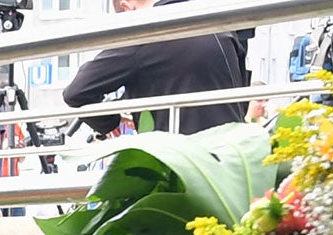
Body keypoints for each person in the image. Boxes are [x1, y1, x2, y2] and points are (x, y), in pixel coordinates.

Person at [62, 0, 250, 137]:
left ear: (127, 6)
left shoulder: (144, 36)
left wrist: (110, 122)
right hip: (234, 153)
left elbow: (76, 92)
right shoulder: (219, 25)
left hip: (187, 165)